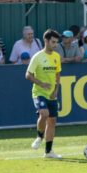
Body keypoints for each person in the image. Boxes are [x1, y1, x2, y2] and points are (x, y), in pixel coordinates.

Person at [26, 29, 63, 159]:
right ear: (46, 41)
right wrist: (41, 83)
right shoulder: (37, 57)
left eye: (56, 42)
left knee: (52, 121)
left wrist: (56, 90)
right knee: (44, 113)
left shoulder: (56, 56)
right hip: (39, 92)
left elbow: (57, 75)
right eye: (53, 42)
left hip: (52, 94)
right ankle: (39, 137)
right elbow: (28, 75)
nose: (55, 45)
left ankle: (48, 152)